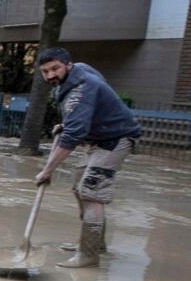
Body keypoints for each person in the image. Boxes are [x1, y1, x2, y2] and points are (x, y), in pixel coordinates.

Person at [33, 48, 141, 268]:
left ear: (68, 65)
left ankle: (89, 255)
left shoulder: (79, 91)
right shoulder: (80, 71)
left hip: (115, 140)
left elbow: (72, 138)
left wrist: (47, 171)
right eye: (45, 71)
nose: (50, 75)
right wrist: (69, 122)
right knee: (79, 188)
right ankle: (95, 243)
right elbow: (90, 107)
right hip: (98, 139)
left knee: (92, 193)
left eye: (55, 69)